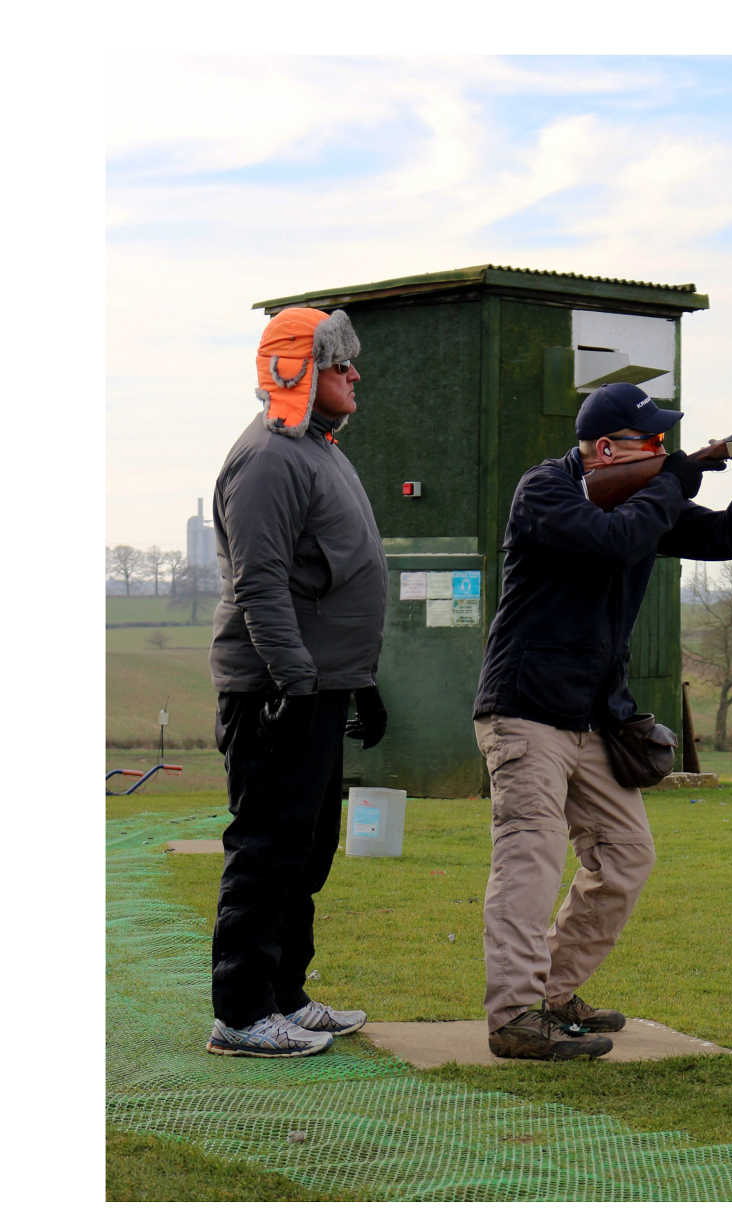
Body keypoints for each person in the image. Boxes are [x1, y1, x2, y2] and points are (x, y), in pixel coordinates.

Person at [472, 382, 732, 1059]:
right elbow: (616, 541)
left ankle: (554, 993)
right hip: (527, 709)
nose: (667, 452)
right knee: (533, 853)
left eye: (670, 444)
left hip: (591, 715)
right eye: (655, 444)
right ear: (608, 449)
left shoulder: (641, 500)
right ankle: (516, 1015)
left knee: (627, 854)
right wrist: (675, 480)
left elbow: (728, 536)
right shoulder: (544, 492)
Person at [205, 306, 389, 1057]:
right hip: (276, 690)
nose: (353, 374)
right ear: (296, 370)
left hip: (321, 684)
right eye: (338, 363)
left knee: (308, 847)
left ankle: (285, 992)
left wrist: (359, 680)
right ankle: (241, 1012)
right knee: (268, 844)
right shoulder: (268, 457)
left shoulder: (318, 449)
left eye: (350, 362)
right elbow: (262, 583)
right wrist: (292, 679)